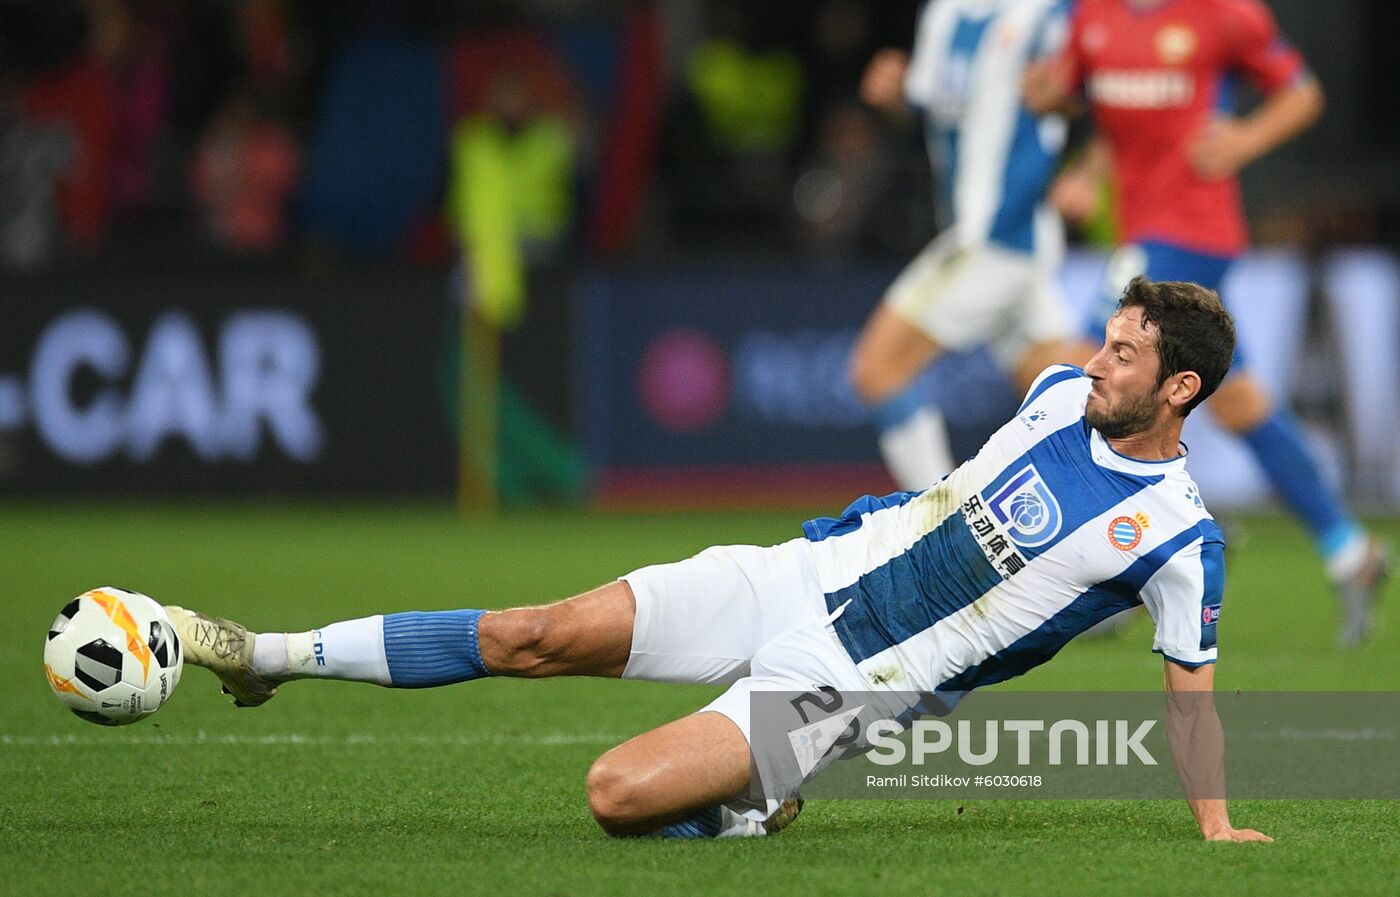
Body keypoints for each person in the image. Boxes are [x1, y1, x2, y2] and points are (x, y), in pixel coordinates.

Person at [168, 278, 1270, 843]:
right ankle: (264, 653)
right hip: (800, 570)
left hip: (854, 685)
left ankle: (749, 809)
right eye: (1104, 337)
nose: (1095, 360)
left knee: (614, 796)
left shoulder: (1175, 536)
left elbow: (1188, 701)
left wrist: (1213, 824)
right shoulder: (1050, 395)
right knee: (531, 633)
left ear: (1178, 389)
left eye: (1123, 354)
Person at [1023, 0, 1388, 647]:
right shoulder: (1091, 18)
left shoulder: (1224, 14)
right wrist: (1075, 154)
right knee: (1240, 403)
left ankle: (1116, 574)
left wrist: (1243, 141)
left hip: (1193, 229)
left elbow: (1301, 93)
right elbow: (1097, 114)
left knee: (1089, 364)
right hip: (1140, 227)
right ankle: (1350, 552)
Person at [848, 0, 1081, 491]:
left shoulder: (1050, 12)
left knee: (878, 369)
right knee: (1073, 390)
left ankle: (943, 526)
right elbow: (928, 112)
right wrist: (894, 97)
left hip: (995, 237)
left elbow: (1096, 84)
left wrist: (1084, 159)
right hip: (992, 239)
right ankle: (1160, 507)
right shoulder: (944, 14)